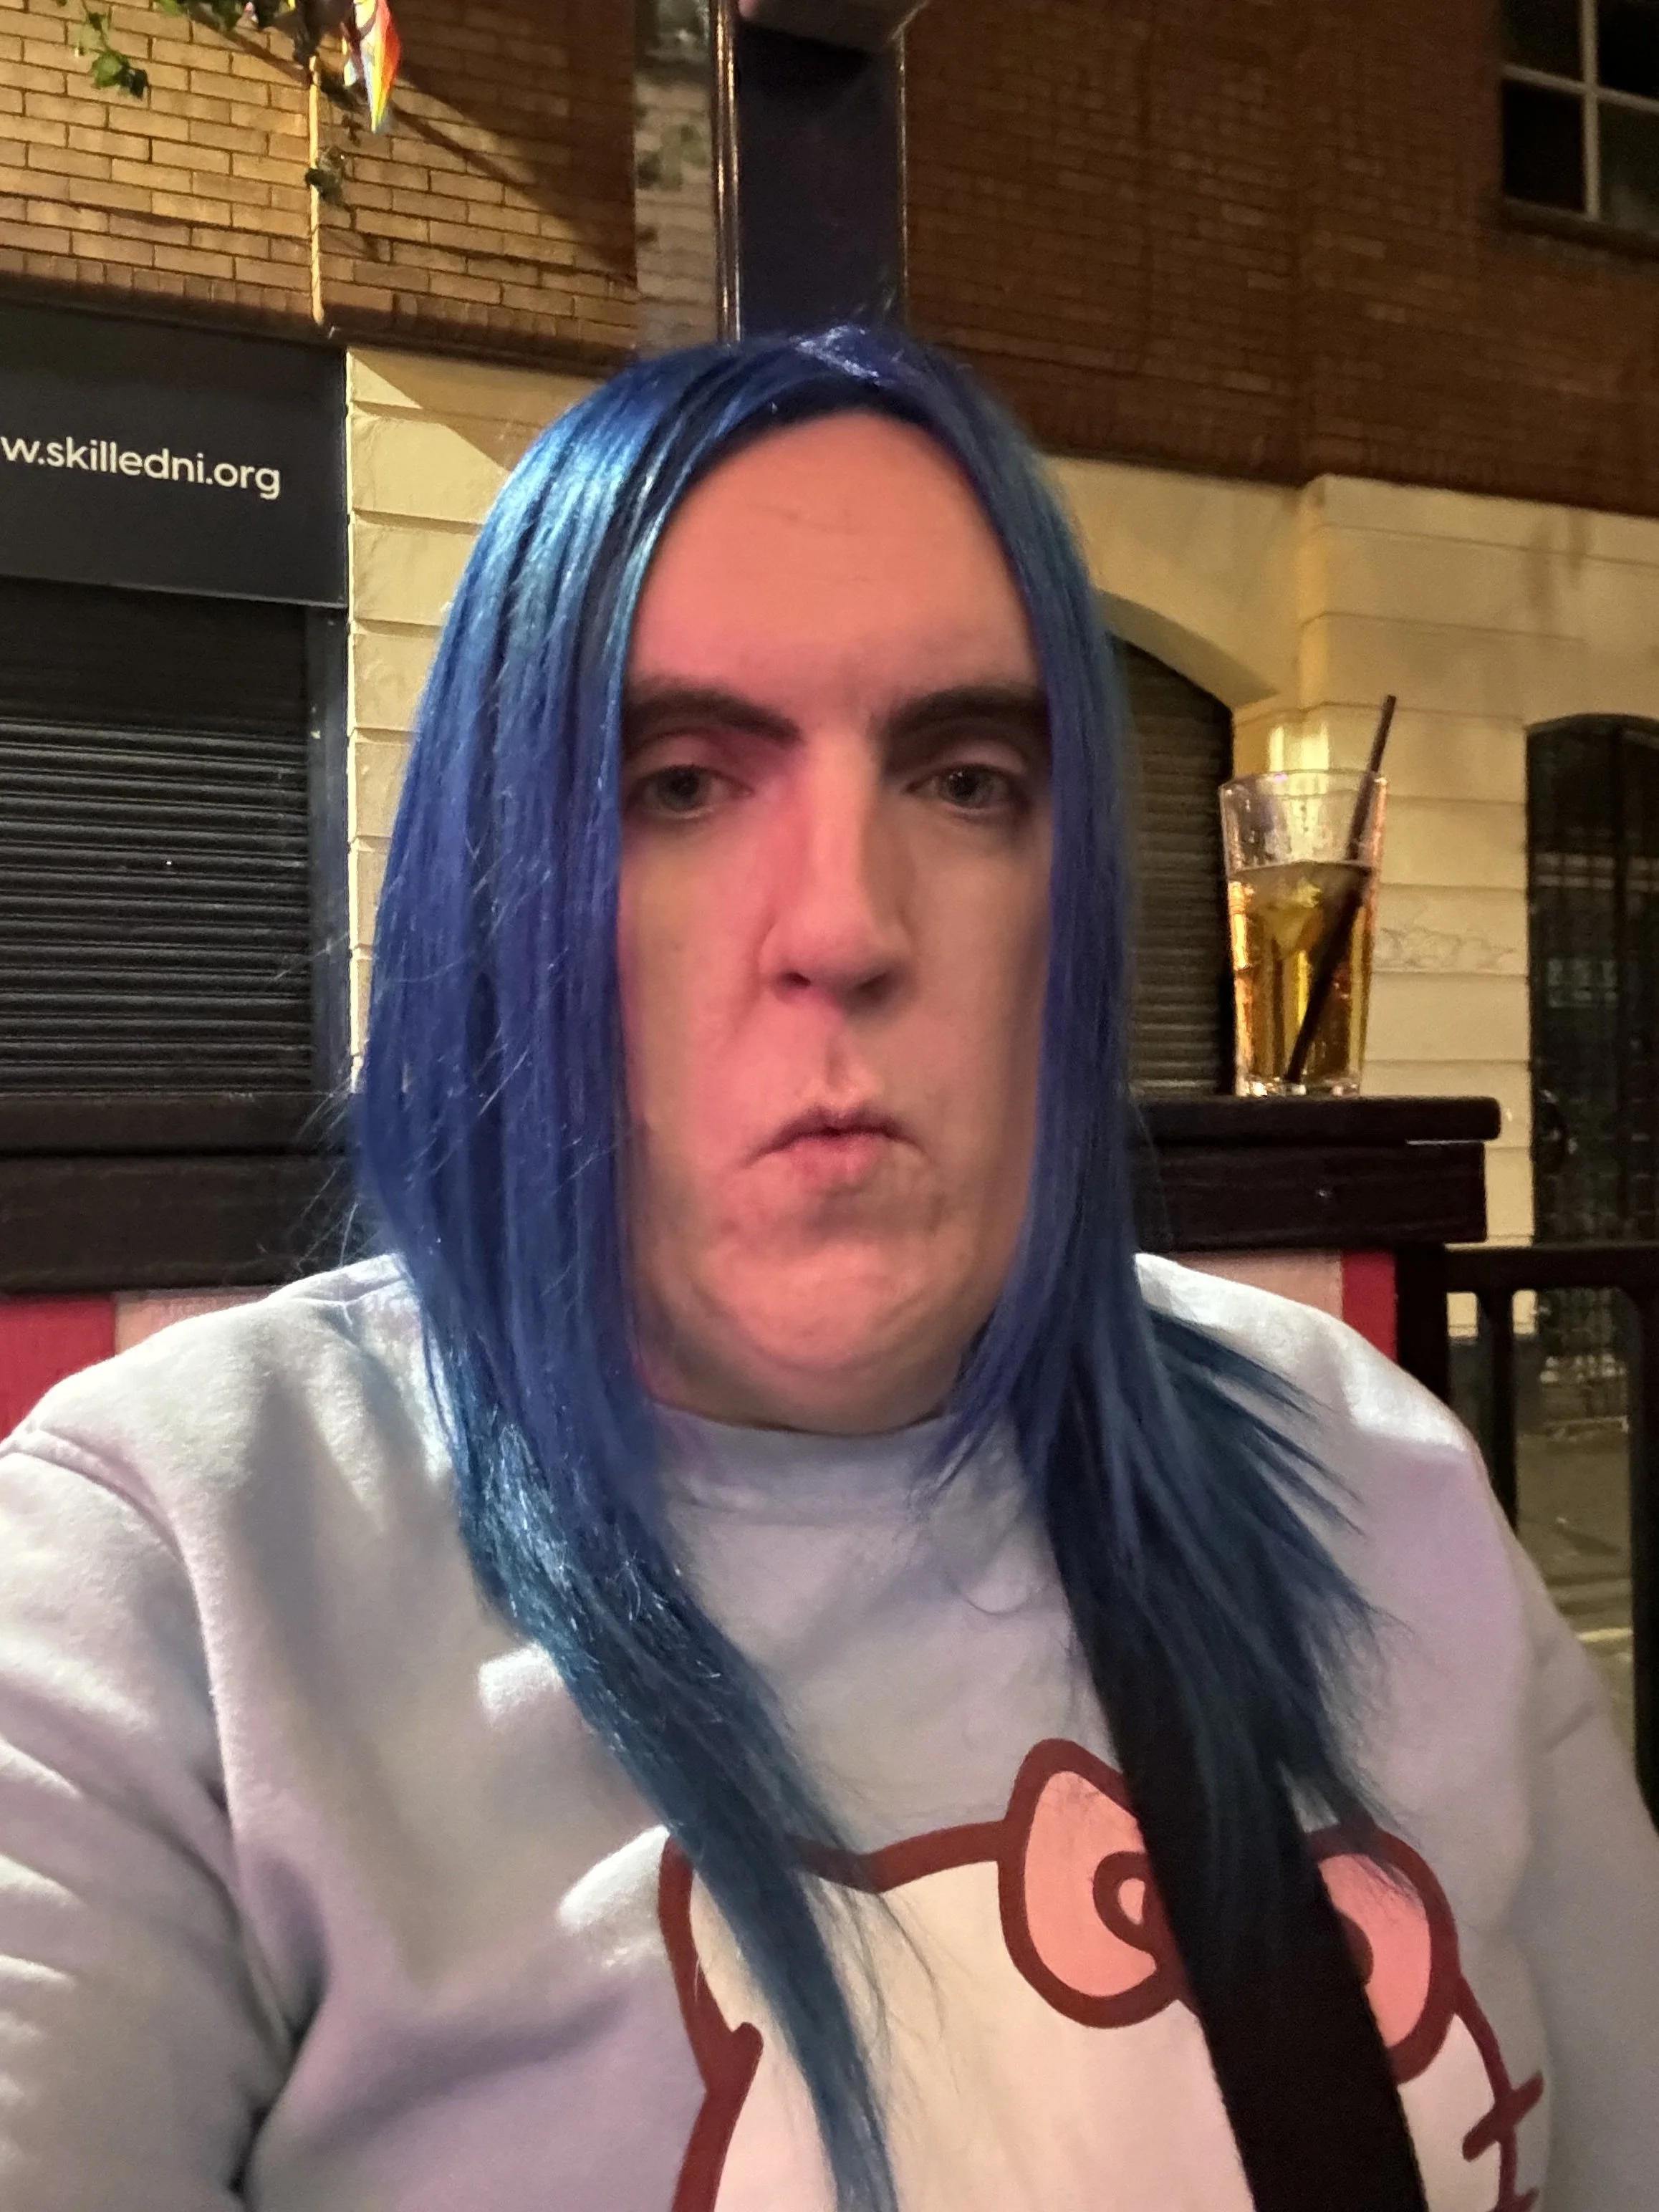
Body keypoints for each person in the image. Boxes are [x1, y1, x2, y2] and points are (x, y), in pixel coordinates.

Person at [0, 326, 1654, 2212]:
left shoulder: (1367, 1470)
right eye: (680, 784)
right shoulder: (168, 1584)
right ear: (496, 884)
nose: (849, 926)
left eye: (967, 781)